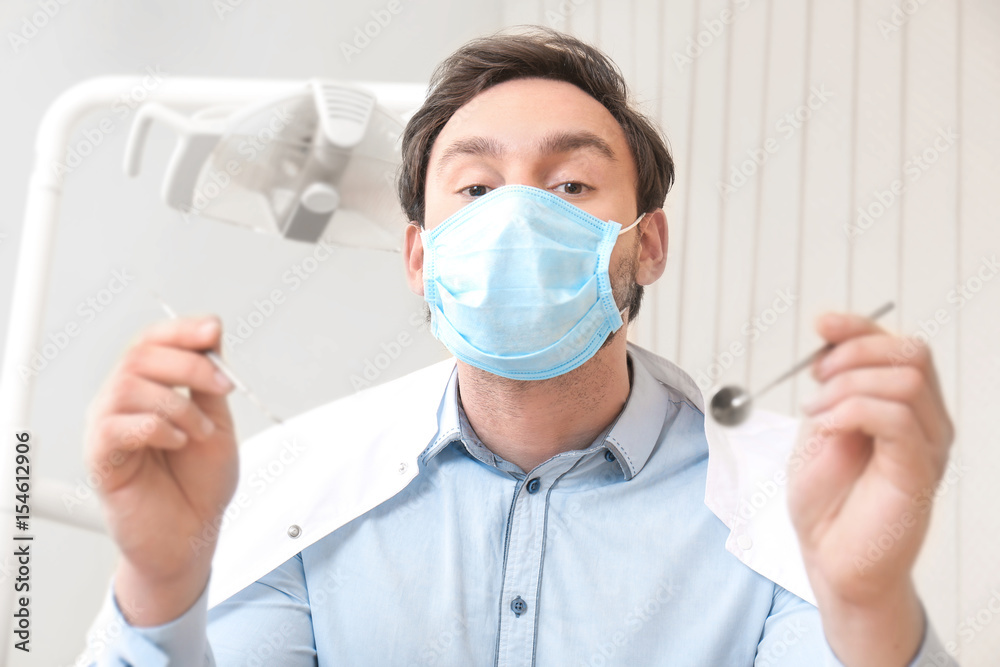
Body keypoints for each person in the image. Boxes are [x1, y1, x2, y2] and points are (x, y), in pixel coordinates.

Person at [81, 28, 956, 666]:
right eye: (476, 186)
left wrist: (869, 608)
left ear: (648, 242)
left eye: (571, 182)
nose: (516, 216)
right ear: (420, 257)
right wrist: (161, 585)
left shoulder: (788, 500)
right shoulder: (291, 490)